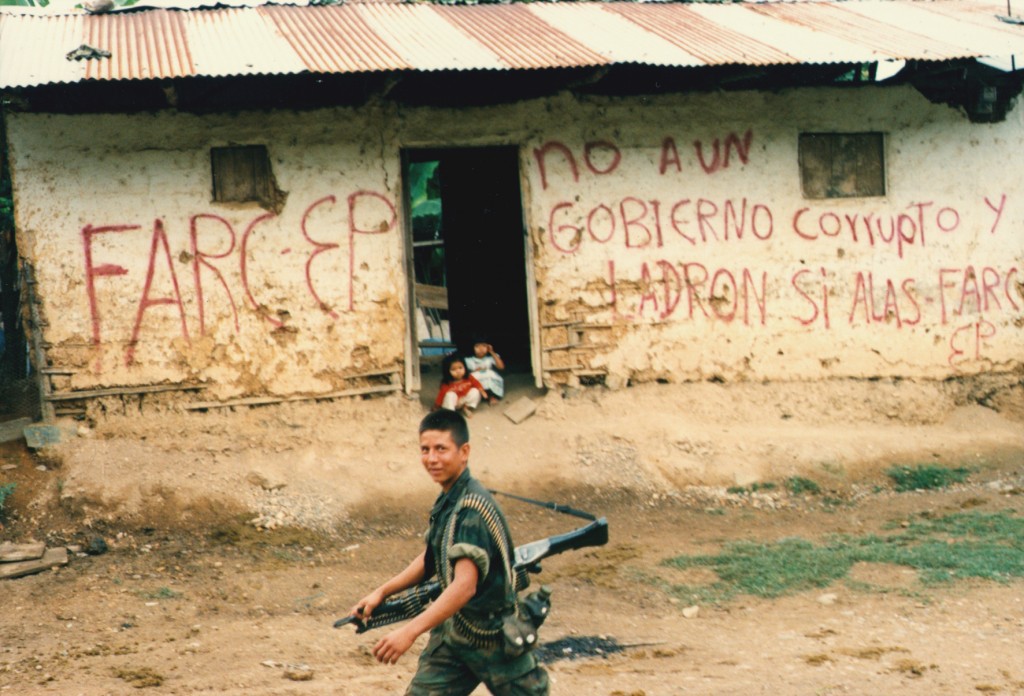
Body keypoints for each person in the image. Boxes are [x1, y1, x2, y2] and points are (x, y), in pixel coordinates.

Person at [349, 409, 549, 695]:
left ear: (463, 452)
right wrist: (382, 592)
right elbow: (431, 558)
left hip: (493, 639)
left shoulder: (472, 510)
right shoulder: (449, 499)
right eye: (425, 450)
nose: (431, 459)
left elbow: (464, 586)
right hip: (455, 634)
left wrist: (409, 632)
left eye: (441, 449)